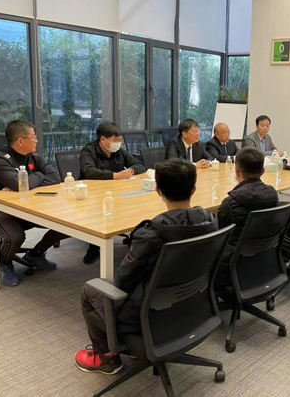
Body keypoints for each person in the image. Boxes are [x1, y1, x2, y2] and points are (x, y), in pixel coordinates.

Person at [74, 158, 218, 375]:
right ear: (194, 189)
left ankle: (106, 358)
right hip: (194, 308)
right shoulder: (211, 221)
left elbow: (122, 282)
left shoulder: (151, 235)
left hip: (147, 317)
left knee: (90, 290)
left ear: (158, 191)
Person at [0, 120, 69, 286]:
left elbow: (55, 177)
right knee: (16, 236)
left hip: (28, 206)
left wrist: (28, 181)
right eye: (33, 137)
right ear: (21, 141)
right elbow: (19, 185)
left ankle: (35, 254)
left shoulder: (33, 156)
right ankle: (5, 263)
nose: (37, 140)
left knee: (69, 224)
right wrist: (35, 178)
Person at [80, 122, 147, 264]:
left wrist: (131, 170)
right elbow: (88, 171)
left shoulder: (119, 151)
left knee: (137, 205)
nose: (118, 143)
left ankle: (136, 236)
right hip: (94, 194)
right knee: (100, 213)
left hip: (117, 192)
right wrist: (115, 175)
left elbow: (140, 165)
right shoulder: (89, 151)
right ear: (103, 139)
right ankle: (94, 248)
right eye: (115, 140)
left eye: (119, 140)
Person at [214, 147, 279, 287]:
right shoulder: (273, 195)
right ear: (263, 171)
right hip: (266, 258)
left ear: (237, 171)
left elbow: (219, 237)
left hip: (234, 266)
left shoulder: (229, 204)